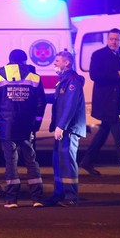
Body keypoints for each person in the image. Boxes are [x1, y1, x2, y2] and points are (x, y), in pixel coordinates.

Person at [0, 49, 47, 208]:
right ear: (25, 61)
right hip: (27, 127)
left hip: (7, 127)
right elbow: (41, 103)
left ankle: (12, 199)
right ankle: (37, 198)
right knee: (31, 161)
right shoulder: (34, 77)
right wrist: (36, 124)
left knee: (11, 163)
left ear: (10, 60)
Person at [79, 28, 120, 176]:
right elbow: (94, 75)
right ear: (107, 39)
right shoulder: (98, 55)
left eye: (117, 39)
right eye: (112, 39)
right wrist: (116, 75)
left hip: (119, 100)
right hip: (106, 101)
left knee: (104, 131)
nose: (114, 42)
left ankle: (87, 161)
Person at [45, 51, 86, 207]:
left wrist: (61, 126)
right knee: (58, 162)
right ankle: (59, 194)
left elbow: (70, 105)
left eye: (57, 61)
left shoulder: (72, 81)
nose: (54, 63)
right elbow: (56, 98)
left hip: (68, 129)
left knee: (67, 162)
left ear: (66, 63)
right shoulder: (63, 80)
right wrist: (37, 95)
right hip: (63, 129)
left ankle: (71, 196)